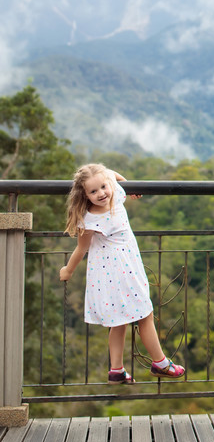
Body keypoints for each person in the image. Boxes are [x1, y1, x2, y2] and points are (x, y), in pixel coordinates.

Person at [59, 163, 185, 384]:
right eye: (93, 191)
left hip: (114, 271)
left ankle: (116, 370)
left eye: (103, 187)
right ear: (85, 195)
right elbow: (81, 248)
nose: (101, 193)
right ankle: (160, 363)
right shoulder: (95, 215)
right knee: (145, 315)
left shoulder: (114, 195)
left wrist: (126, 183)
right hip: (122, 272)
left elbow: (109, 173)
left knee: (118, 321)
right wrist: (68, 270)